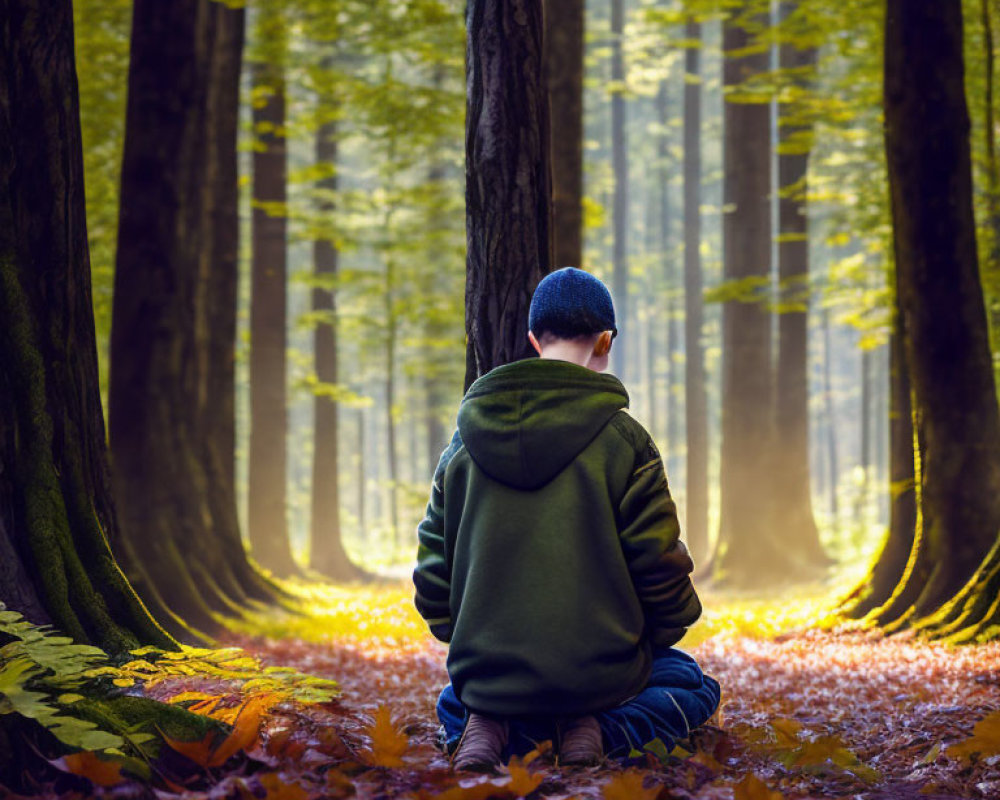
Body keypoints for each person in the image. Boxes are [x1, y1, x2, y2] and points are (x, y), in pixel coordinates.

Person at [412, 267, 720, 771]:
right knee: (691, 683)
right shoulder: (626, 441)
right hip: (600, 673)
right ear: (606, 340)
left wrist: (465, 638)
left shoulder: (463, 444)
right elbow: (658, 561)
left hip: (490, 675)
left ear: (534, 340)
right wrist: (662, 632)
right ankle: (596, 726)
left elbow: (431, 573)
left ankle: (492, 724)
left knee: (455, 696)